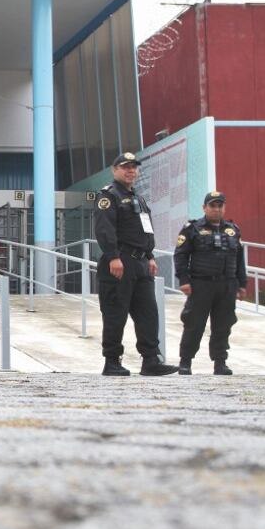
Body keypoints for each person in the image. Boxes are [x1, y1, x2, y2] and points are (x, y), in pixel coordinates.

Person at [94, 152, 178, 376]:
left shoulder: (138, 198)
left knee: (148, 313)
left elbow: (145, 230)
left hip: (140, 263)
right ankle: (112, 361)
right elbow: (105, 229)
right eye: (125, 167)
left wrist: (150, 256)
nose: (131, 170)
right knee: (115, 313)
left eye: (134, 167)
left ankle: (151, 360)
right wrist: (113, 256)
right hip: (119, 261)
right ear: (115, 170)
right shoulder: (108, 196)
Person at [173, 192, 247, 375]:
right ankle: (185, 362)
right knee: (194, 324)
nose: (216, 209)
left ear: (224, 207)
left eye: (220, 205)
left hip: (227, 285)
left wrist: (242, 284)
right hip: (201, 285)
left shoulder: (233, 229)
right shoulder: (192, 228)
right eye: (212, 205)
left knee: (223, 325)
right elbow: (181, 255)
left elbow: (239, 259)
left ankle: (220, 363)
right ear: (204, 208)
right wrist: (183, 280)